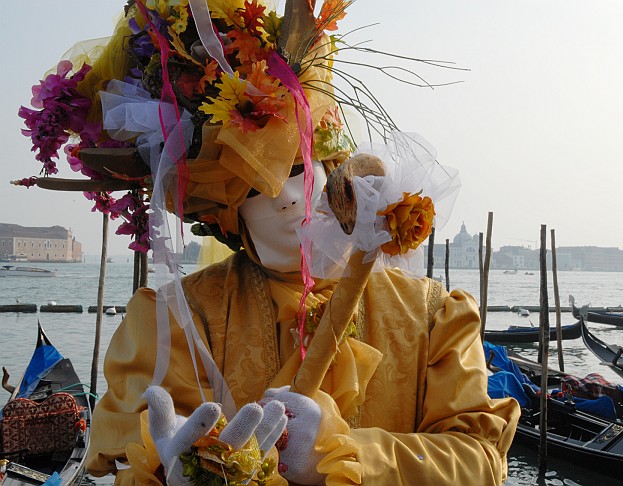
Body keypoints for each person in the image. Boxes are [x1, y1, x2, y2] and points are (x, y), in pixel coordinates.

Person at [18, 1, 520, 484]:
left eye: (297, 169)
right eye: (252, 187)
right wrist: (170, 472)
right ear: (224, 215)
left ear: (332, 170)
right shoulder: (175, 321)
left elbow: (478, 460)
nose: (283, 198)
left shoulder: (434, 317)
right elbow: (128, 453)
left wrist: (349, 458)